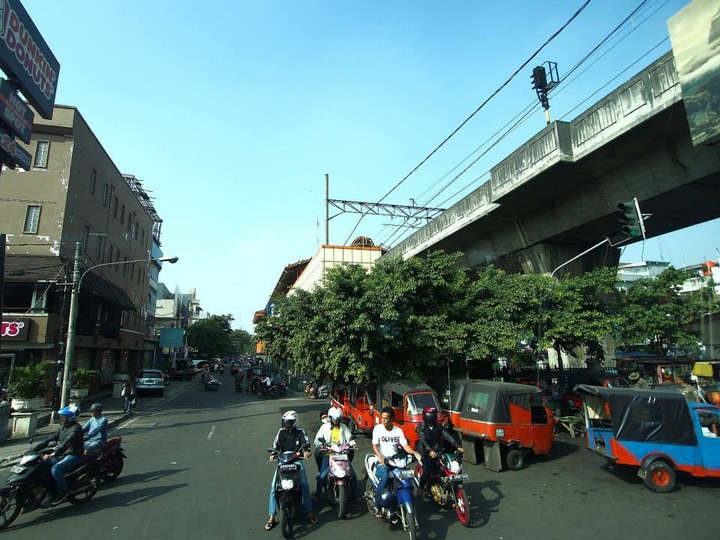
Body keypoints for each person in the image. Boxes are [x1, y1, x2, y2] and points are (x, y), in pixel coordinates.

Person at [264, 410, 318, 531]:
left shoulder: (300, 432)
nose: (285, 424)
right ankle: (271, 516)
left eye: (288, 422)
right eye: (284, 422)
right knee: (274, 487)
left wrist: (306, 451)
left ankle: (308, 512)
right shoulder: (281, 432)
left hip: (296, 460)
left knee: (304, 485)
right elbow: (276, 445)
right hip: (283, 461)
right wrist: (273, 454)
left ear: (294, 422)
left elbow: (305, 444)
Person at [371, 406, 421, 517]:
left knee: (405, 477)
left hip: (395, 460)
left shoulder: (398, 430)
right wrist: (380, 457)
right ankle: (377, 504)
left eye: (386, 418)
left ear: (392, 419)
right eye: (382, 418)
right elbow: (374, 446)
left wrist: (414, 453)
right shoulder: (377, 429)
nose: (383, 420)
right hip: (382, 460)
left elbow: (405, 445)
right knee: (384, 477)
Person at [32, 405, 84, 506]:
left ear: (71, 417)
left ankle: (64, 490)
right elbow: (50, 438)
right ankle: (49, 489)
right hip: (62, 454)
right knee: (39, 465)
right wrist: (34, 449)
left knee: (56, 469)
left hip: (73, 455)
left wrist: (52, 454)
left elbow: (66, 444)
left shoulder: (76, 429)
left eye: (64, 417)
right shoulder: (63, 428)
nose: (62, 418)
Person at [312, 407, 359, 503]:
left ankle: (355, 494)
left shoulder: (343, 427)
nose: (336, 420)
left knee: (352, 474)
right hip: (329, 453)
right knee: (322, 475)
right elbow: (318, 438)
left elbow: (349, 438)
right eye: (334, 418)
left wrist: (353, 444)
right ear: (330, 417)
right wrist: (321, 445)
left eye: (337, 418)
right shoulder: (324, 427)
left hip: (342, 453)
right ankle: (317, 494)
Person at [415, 406, 463, 496]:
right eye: (433, 415)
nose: (435, 416)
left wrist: (457, 446)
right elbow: (423, 440)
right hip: (426, 453)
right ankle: (421, 487)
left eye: (435, 415)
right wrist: (430, 450)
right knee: (429, 470)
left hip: (439, 451)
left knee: (448, 467)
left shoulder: (438, 426)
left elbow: (447, 436)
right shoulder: (421, 428)